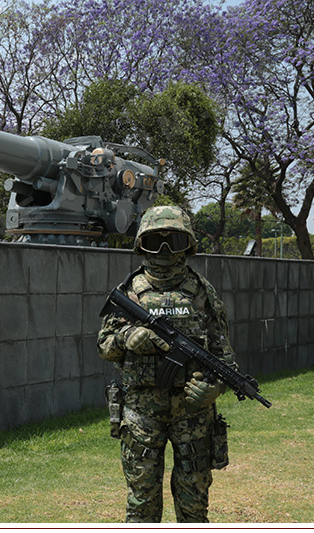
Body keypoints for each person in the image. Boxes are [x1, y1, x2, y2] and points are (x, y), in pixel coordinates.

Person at [97, 205, 236, 523]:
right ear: (140, 244)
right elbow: (104, 345)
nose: (162, 250)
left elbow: (224, 355)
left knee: (193, 504)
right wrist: (127, 337)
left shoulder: (202, 293)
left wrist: (214, 388)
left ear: (187, 244)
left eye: (172, 240)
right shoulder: (129, 292)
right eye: (154, 241)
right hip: (141, 414)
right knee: (141, 502)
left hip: (194, 415)